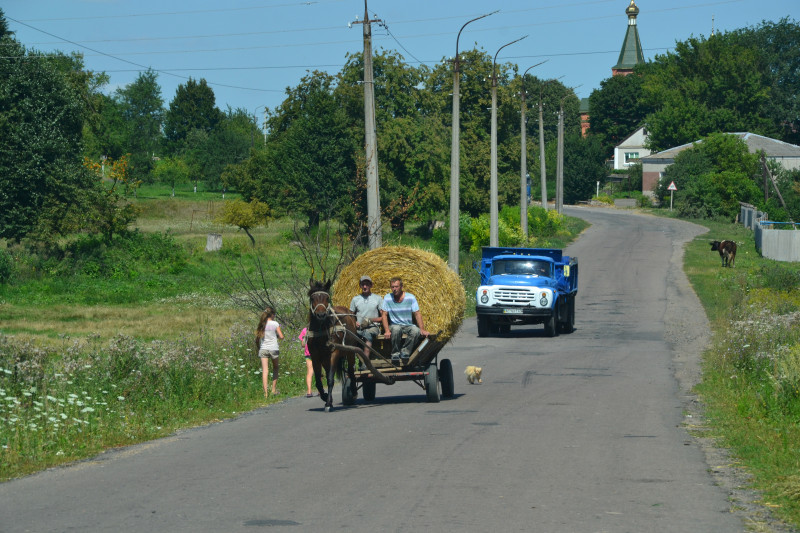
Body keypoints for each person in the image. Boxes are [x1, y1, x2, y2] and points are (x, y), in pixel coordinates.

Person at [381, 277, 429, 364]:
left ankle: (405, 351)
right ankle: (395, 353)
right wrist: (387, 330)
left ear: (401, 286)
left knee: (415, 331)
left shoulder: (410, 297)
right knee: (396, 329)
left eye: (396, 286)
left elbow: (417, 314)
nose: (394, 289)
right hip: (394, 325)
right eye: (392, 287)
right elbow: (384, 315)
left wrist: (422, 329)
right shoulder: (387, 298)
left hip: (408, 325)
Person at [349, 275, 383, 356]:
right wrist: (355, 322)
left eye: (367, 284)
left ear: (371, 285)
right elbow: (350, 315)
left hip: (373, 327)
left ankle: (365, 361)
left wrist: (370, 320)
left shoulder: (378, 299)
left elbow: (383, 317)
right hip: (359, 328)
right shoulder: (355, 299)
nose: (365, 286)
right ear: (360, 286)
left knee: (368, 333)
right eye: (363, 284)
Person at [255, 307, 284, 397]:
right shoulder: (275, 323)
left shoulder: (262, 324)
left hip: (263, 348)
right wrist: (276, 337)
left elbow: (257, 339)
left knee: (265, 371)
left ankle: (265, 393)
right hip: (273, 348)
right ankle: (273, 390)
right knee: (275, 368)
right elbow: (282, 336)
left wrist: (259, 347)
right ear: (272, 315)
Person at [298, 327, 314, 397]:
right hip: (317, 354)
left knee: (309, 372)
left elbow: (303, 344)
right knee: (318, 371)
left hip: (308, 354)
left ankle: (309, 391)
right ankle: (320, 391)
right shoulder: (317, 329)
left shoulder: (305, 330)